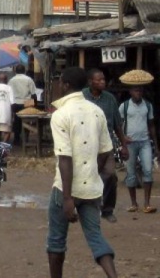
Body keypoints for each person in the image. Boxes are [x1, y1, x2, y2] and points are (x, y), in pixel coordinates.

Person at [46, 67, 117, 278]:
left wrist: (68, 198)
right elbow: (106, 151)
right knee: (96, 238)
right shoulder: (97, 111)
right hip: (93, 188)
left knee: (56, 242)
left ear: (65, 85)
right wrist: (90, 170)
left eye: (60, 82)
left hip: (65, 188)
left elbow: (64, 159)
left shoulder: (60, 114)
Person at [82, 68, 128, 224]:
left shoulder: (110, 99)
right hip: (85, 144)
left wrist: (124, 145)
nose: (103, 82)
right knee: (86, 177)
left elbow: (117, 125)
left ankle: (107, 210)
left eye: (103, 79)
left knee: (110, 175)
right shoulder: (82, 97)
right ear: (90, 82)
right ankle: (86, 210)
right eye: (99, 79)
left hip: (105, 144)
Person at [119, 86, 158, 214]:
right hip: (130, 143)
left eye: (140, 91)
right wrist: (123, 139)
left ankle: (146, 204)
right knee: (130, 173)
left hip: (145, 142)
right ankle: (133, 203)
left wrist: (156, 146)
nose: (138, 93)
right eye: (136, 91)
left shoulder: (147, 105)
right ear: (130, 92)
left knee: (147, 170)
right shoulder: (124, 106)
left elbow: (151, 125)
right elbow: (118, 125)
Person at [9, 65, 37, 145]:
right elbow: (33, 94)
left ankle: (16, 139)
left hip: (15, 102)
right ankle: (26, 139)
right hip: (27, 102)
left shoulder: (11, 80)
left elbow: (9, 93)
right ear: (24, 71)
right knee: (27, 121)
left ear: (15, 71)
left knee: (16, 121)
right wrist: (34, 105)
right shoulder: (29, 79)